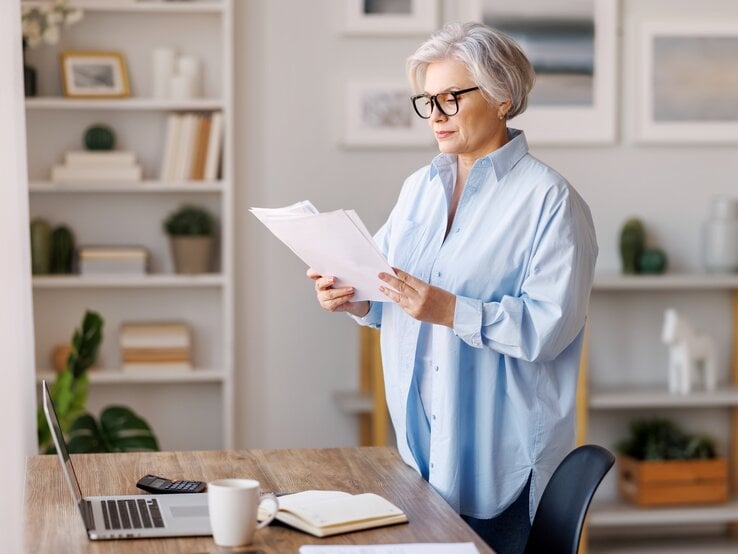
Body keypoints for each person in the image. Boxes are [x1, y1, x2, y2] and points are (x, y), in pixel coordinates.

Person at [308, 21, 597, 554]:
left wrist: (450, 310)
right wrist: (354, 298)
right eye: (427, 101)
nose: (435, 115)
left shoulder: (551, 202)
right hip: (419, 456)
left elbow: (547, 330)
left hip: (498, 462)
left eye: (450, 98)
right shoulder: (418, 189)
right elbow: (386, 293)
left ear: (502, 97)